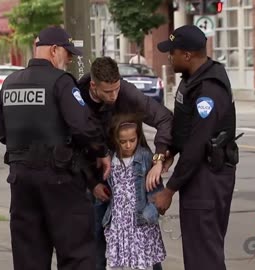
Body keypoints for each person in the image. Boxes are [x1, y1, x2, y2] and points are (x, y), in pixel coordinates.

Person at [0, 26, 112, 270]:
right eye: (67, 53)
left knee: (29, 254)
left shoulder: (10, 83)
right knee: (76, 253)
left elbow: (2, 134)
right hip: (59, 179)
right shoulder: (61, 82)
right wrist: (101, 152)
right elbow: (83, 127)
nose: (69, 59)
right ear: (54, 50)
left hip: (21, 182)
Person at [153, 25, 239, 270]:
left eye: (173, 52)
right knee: (198, 251)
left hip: (208, 178)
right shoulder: (192, 79)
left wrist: (169, 190)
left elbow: (197, 143)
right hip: (198, 177)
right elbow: (184, 129)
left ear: (187, 55)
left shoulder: (209, 89)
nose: (169, 57)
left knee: (204, 256)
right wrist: (170, 152)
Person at [77, 56, 173, 270]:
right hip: (96, 177)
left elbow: (165, 118)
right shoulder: (77, 97)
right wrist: (92, 183)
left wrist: (158, 158)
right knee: (95, 241)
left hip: (134, 176)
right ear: (94, 85)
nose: (114, 96)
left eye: (116, 89)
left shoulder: (127, 93)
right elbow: (72, 144)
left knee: (145, 239)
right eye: (108, 92)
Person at [102, 113, 166, 270]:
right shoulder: (111, 159)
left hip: (140, 223)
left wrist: (151, 212)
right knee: (116, 264)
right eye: (123, 142)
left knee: (142, 264)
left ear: (138, 137)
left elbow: (156, 191)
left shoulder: (144, 157)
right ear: (115, 140)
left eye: (132, 140)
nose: (128, 145)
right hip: (118, 222)